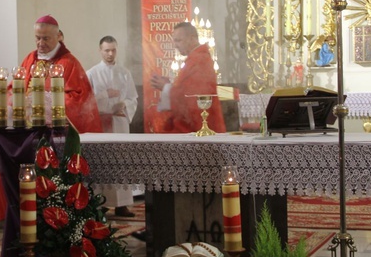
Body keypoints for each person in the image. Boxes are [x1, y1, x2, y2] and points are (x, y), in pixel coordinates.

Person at [18, 14, 102, 133]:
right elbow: (16, 87)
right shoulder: (30, 59)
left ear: (58, 36)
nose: (40, 43)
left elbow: (79, 99)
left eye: (45, 38)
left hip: (57, 129)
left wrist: (46, 102)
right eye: (37, 38)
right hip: (27, 127)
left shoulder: (69, 63)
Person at [86, 36, 139, 217]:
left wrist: (124, 105)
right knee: (102, 162)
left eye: (113, 50)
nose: (110, 54)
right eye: (106, 50)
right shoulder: (91, 73)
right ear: (100, 50)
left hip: (119, 122)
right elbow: (85, 100)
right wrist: (104, 95)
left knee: (121, 162)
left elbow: (133, 97)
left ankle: (122, 204)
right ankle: (100, 203)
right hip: (101, 123)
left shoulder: (124, 73)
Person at [149, 22, 226, 134]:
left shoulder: (199, 61)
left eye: (178, 40)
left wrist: (166, 87)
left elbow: (193, 99)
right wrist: (169, 86)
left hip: (200, 129)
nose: (175, 45)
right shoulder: (194, 59)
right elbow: (186, 90)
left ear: (192, 38)